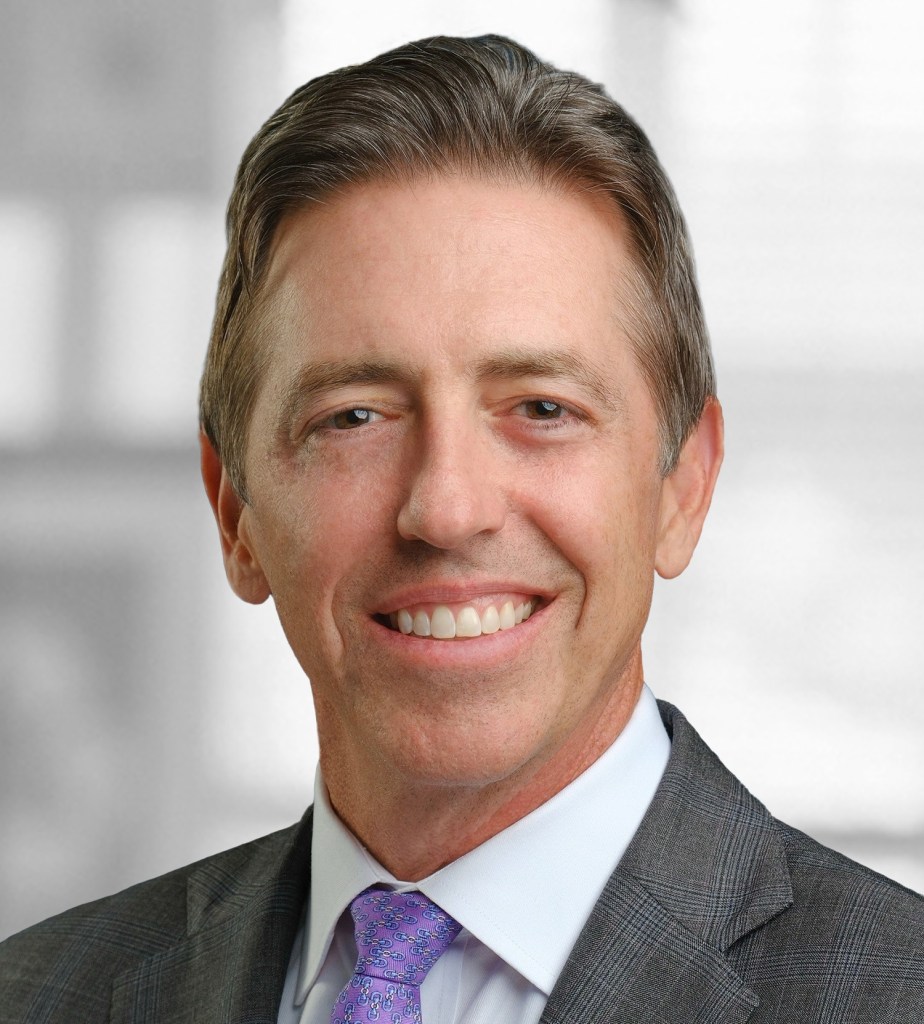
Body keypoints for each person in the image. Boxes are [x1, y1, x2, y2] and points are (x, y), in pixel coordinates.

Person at [1, 33, 921, 1024]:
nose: (446, 509)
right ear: (235, 512)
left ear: (682, 487)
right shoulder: (35, 992)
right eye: (355, 416)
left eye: (542, 408)